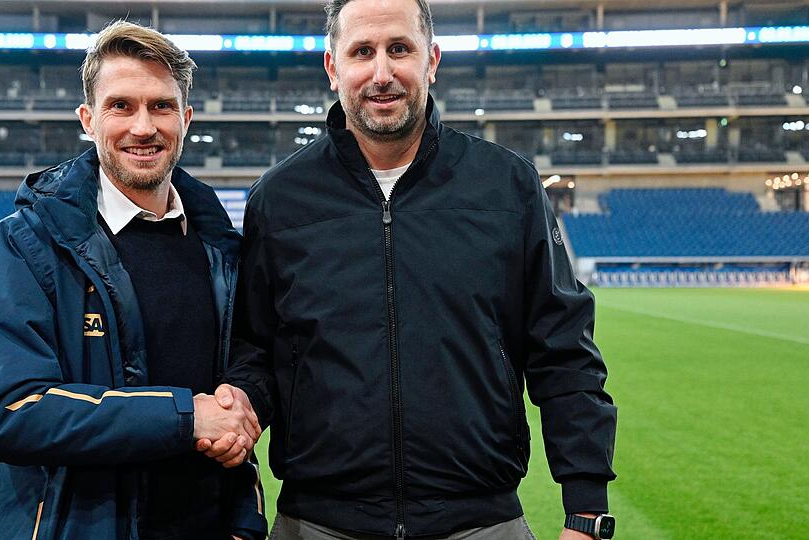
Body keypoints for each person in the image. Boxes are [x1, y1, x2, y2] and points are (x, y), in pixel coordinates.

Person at [217, 0, 618, 538]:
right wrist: (241, 406)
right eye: (362, 52)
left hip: (480, 520)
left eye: (399, 49)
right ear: (333, 67)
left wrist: (587, 509)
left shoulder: (508, 187)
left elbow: (564, 351)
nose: (382, 74)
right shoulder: (279, 200)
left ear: (431, 60)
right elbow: (257, 351)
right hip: (317, 521)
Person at [0, 20, 266, 540]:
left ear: (187, 118)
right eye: (121, 105)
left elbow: (248, 363)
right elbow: (7, 411)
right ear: (88, 118)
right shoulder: (26, 244)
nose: (143, 127)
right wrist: (184, 418)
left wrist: (244, 407)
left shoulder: (219, 245)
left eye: (161, 106)